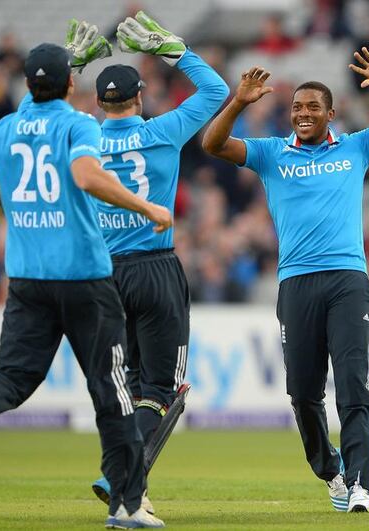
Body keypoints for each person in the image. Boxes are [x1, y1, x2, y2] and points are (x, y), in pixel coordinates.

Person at [0, 33, 171, 529]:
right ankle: (129, 506)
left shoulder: (6, 128)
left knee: (11, 379)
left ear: (28, 84)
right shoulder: (78, 125)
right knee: (112, 391)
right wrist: (147, 205)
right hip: (84, 278)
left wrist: (12, 199)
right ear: (72, 84)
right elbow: (89, 177)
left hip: (27, 280)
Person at [202, 46, 369, 513]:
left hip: (347, 279)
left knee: (352, 383)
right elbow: (212, 145)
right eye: (297, 107)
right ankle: (331, 471)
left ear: (331, 113)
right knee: (303, 394)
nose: (303, 114)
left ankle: (361, 482)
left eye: (312, 107)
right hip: (297, 284)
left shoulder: (356, 146)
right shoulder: (270, 154)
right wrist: (239, 102)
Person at [85, 11, 229, 513]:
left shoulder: (84, 139)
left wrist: (68, 65)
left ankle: (126, 485)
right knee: (163, 389)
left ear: (99, 103)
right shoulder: (164, 130)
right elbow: (216, 92)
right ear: (140, 97)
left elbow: (35, 120)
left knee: (124, 388)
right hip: (156, 267)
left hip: (104, 275)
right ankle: (122, 476)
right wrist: (175, 49)